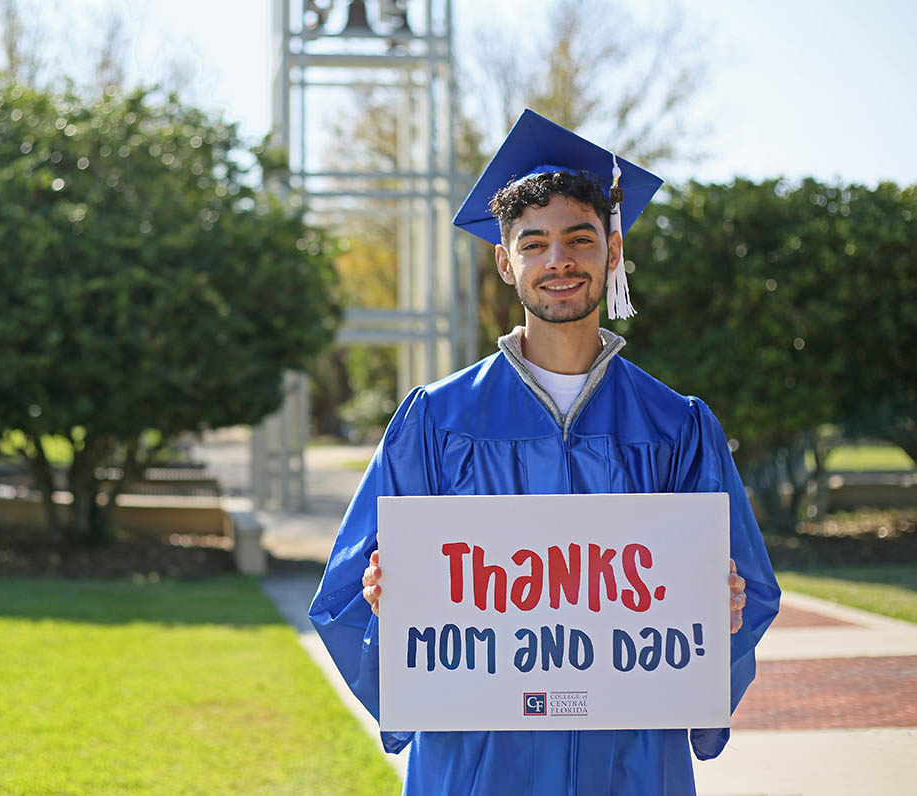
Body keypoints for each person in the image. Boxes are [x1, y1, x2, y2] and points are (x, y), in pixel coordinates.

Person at [308, 109, 780, 796]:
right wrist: (392, 608)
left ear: (612, 251)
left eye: (580, 239)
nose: (558, 261)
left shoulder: (676, 427)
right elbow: (348, 594)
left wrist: (720, 616)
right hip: (476, 757)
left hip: (629, 759)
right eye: (534, 244)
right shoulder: (436, 421)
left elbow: (747, 589)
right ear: (506, 262)